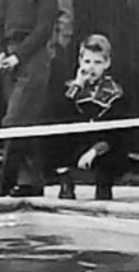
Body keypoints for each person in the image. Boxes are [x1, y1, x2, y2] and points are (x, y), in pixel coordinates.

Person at [0, 0, 57, 197]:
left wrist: (18, 55)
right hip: (9, 63)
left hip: (33, 61)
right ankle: (33, 182)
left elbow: (43, 30)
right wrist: (1, 53)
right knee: (24, 123)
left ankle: (6, 180)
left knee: (13, 120)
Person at [49, 34, 132, 201]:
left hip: (102, 146)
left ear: (107, 63)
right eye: (87, 62)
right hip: (78, 143)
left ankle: (104, 185)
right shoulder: (70, 88)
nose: (92, 68)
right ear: (80, 62)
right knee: (53, 132)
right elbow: (59, 116)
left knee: (116, 148)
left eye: (97, 62)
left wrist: (94, 151)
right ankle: (66, 181)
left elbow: (116, 133)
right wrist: (77, 85)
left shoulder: (115, 92)